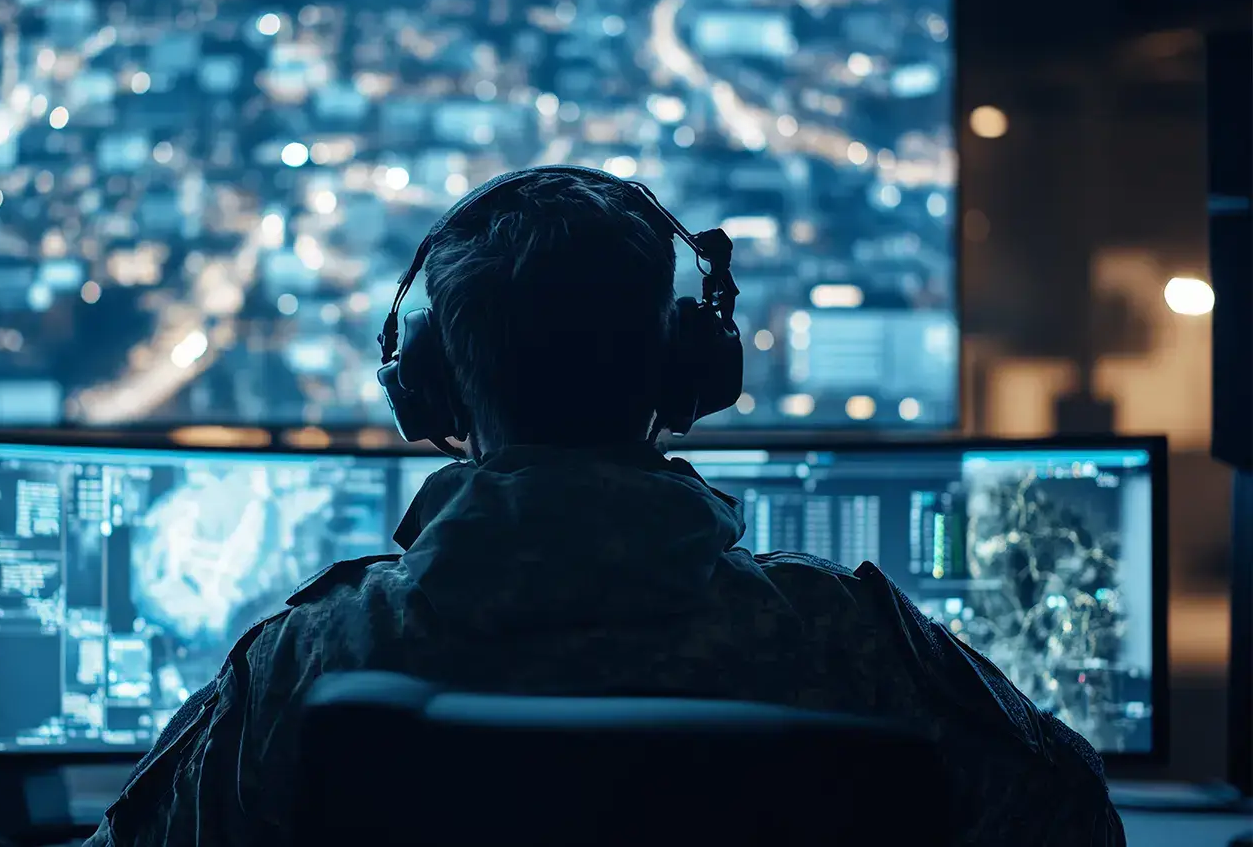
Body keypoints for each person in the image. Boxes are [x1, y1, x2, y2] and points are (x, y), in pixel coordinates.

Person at [86, 169, 1124, 846]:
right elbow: (1075, 822)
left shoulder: (307, 667)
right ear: (685, 373)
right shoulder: (853, 647)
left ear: (436, 390)